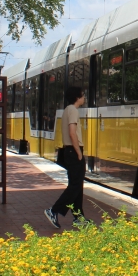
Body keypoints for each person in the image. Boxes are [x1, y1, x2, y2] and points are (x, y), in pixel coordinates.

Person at [45, 87, 86, 228]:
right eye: (83, 95)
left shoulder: (67, 110)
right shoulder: (73, 110)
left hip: (69, 151)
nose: (84, 97)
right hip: (74, 151)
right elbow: (72, 133)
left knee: (76, 185)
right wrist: (79, 152)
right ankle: (54, 210)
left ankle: (78, 217)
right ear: (77, 97)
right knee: (75, 186)